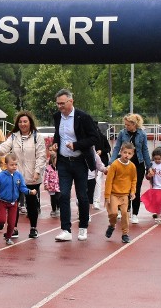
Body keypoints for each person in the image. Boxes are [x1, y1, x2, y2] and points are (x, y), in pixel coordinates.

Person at [0, 111, 46, 239]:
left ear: (30, 122)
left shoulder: (37, 137)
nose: (23, 124)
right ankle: (14, 228)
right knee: (14, 203)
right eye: (20, 122)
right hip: (16, 175)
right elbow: (3, 148)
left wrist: (37, 171)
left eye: (25, 121)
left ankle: (33, 227)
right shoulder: (14, 137)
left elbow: (41, 156)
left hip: (32, 176)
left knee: (31, 204)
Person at [51, 89, 99, 242]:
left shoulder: (83, 117)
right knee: (63, 195)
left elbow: (94, 138)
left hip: (80, 162)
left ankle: (83, 227)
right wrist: (55, 144)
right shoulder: (57, 116)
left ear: (71, 101)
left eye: (62, 103)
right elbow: (58, 135)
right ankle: (66, 229)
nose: (60, 106)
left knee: (82, 196)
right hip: (64, 162)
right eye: (58, 104)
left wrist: (77, 145)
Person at [109, 113, 151, 224]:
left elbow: (145, 150)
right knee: (122, 187)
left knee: (135, 188)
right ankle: (122, 210)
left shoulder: (142, 134)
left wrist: (149, 166)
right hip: (123, 164)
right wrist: (111, 162)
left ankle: (135, 213)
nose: (126, 126)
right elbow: (117, 147)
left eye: (128, 125)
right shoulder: (122, 133)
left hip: (138, 164)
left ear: (134, 124)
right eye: (125, 124)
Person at [0, 153, 37, 245]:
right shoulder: (1, 175)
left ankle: (8, 237)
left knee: (12, 222)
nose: (14, 167)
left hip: (14, 203)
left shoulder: (18, 175)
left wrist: (30, 192)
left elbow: (22, 188)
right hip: (2, 201)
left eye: (16, 164)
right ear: (6, 165)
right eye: (12, 164)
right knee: (2, 220)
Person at [104, 143, 137, 244]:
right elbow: (109, 181)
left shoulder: (132, 166)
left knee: (124, 214)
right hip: (113, 193)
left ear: (132, 155)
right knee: (113, 213)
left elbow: (133, 179)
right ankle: (112, 225)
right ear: (121, 152)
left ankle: (125, 234)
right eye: (125, 152)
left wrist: (132, 191)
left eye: (129, 153)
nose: (127, 155)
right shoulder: (115, 165)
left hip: (124, 195)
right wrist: (107, 196)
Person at [43, 146, 60, 218]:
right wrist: (46, 184)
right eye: (56, 160)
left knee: (58, 197)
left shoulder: (60, 168)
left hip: (59, 186)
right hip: (51, 186)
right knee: (53, 198)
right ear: (52, 160)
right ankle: (53, 209)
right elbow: (46, 177)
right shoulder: (48, 168)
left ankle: (58, 207)